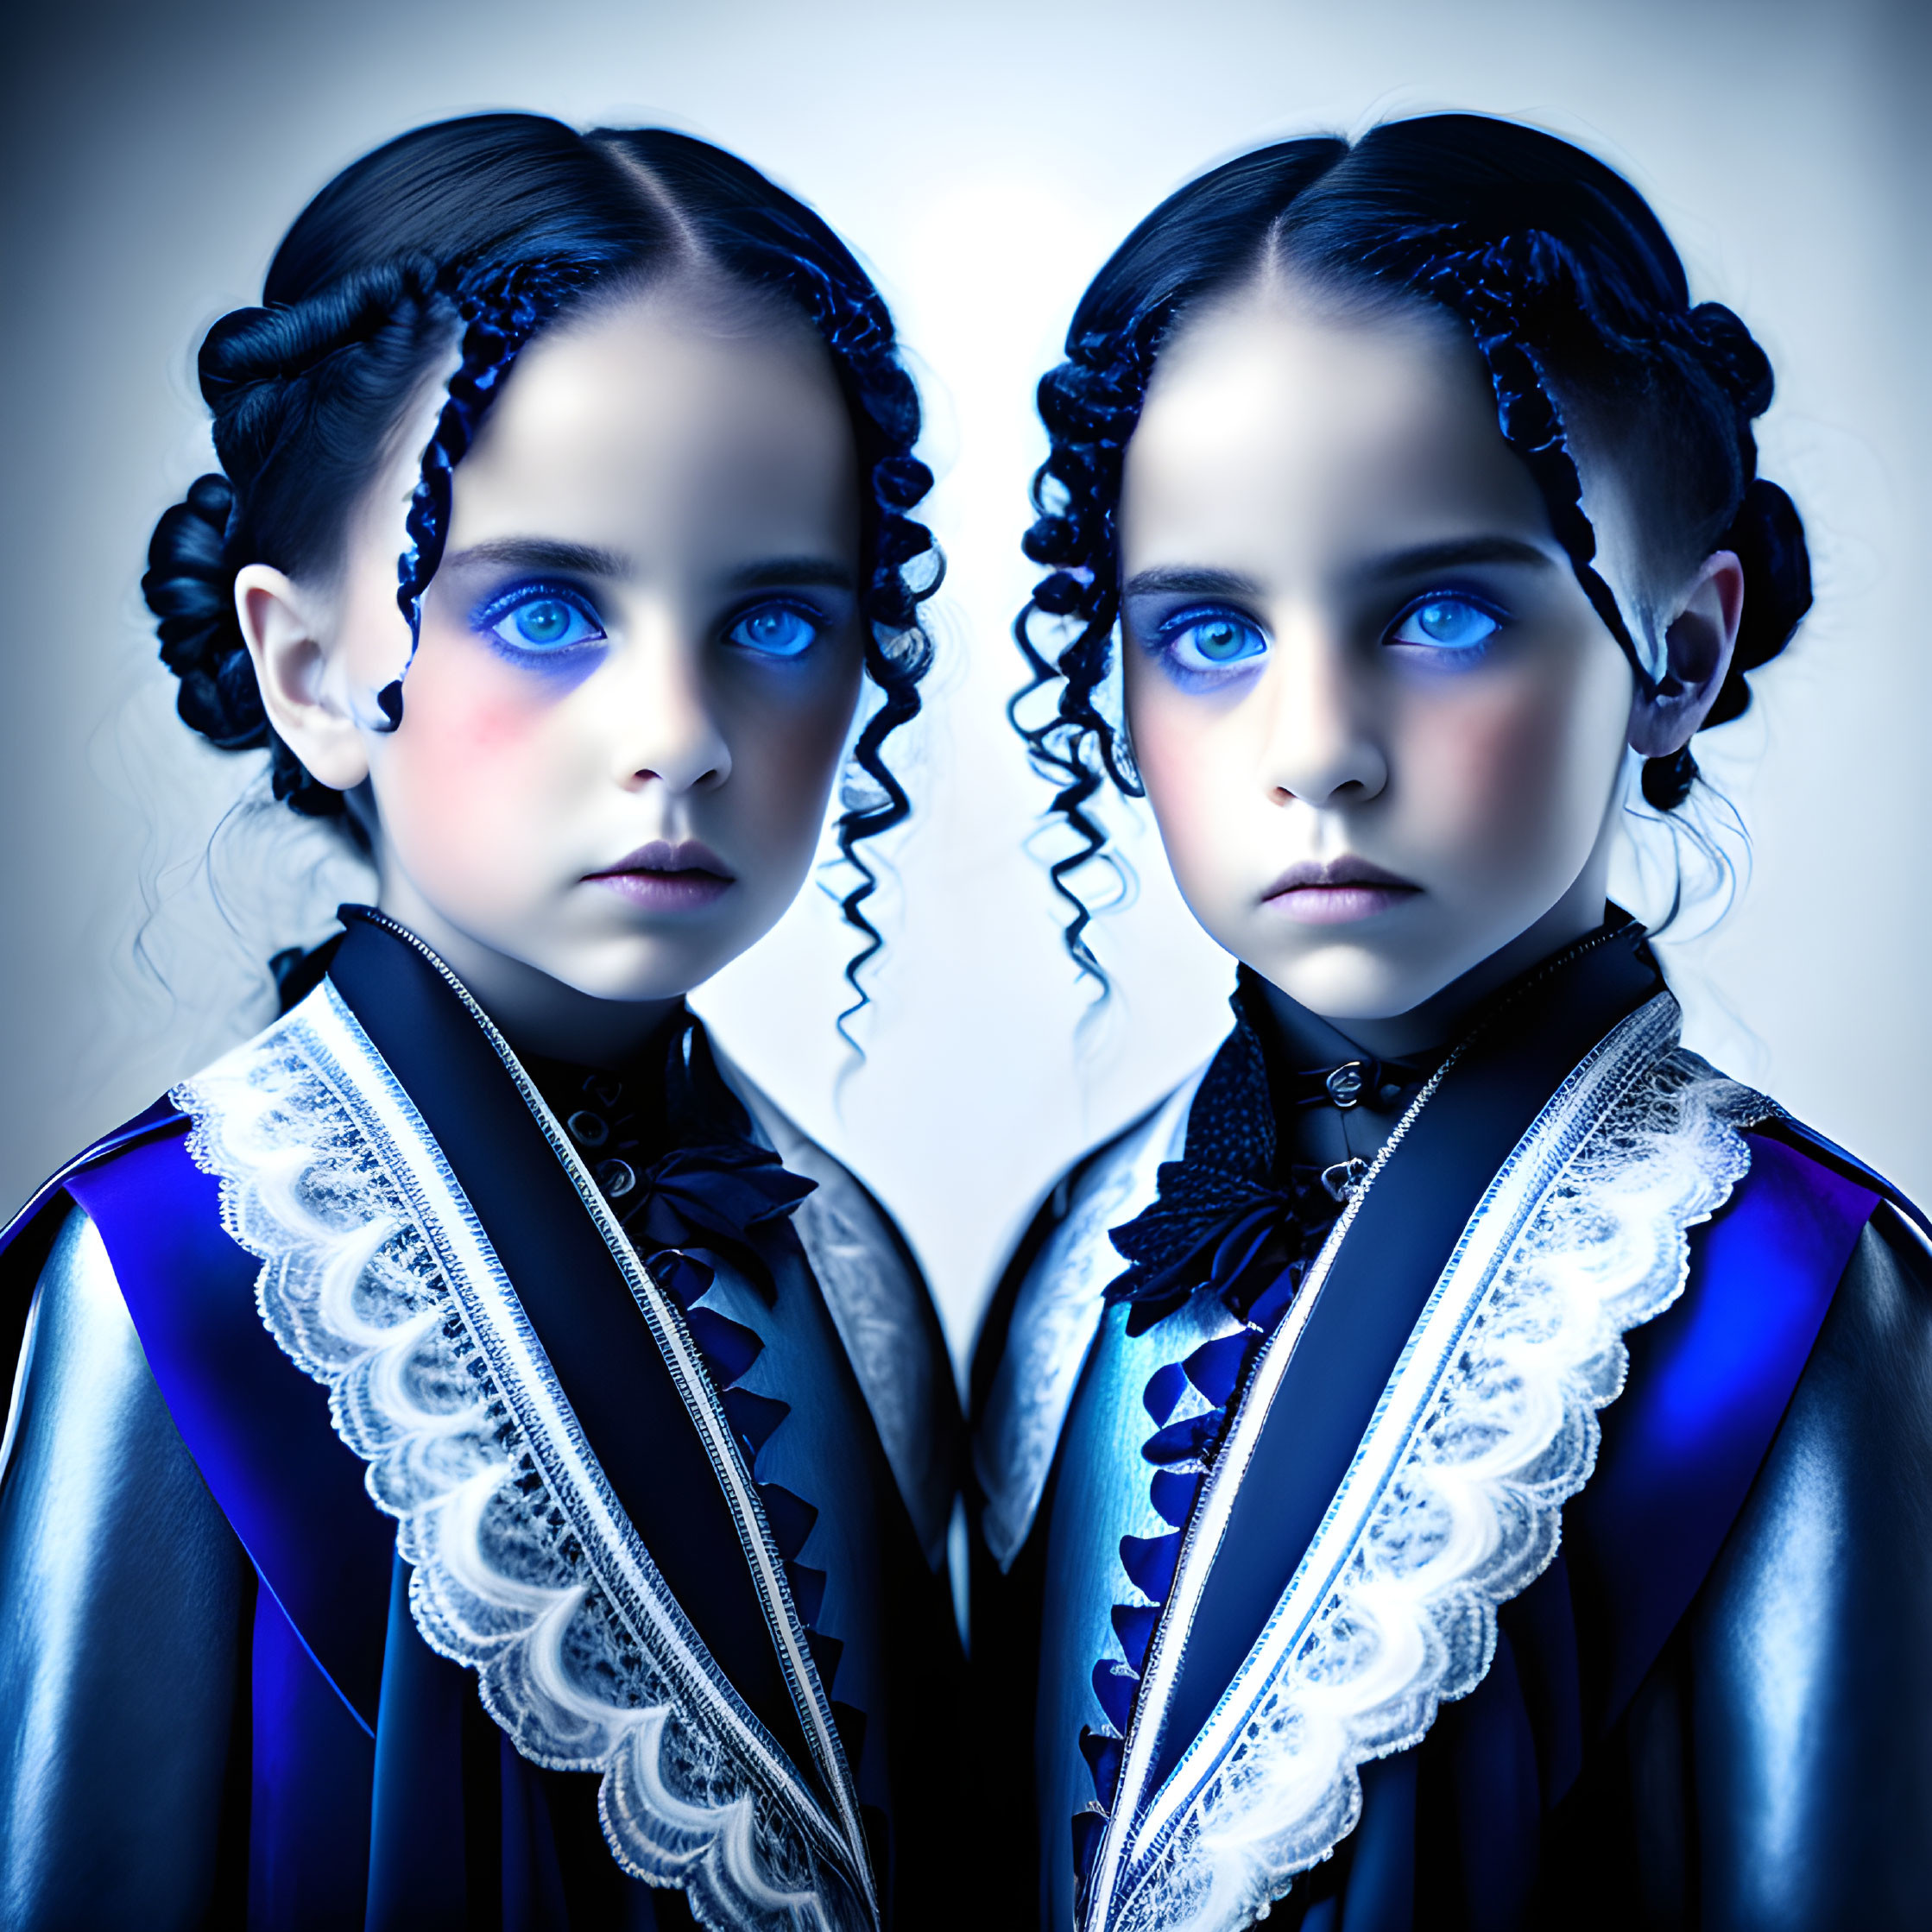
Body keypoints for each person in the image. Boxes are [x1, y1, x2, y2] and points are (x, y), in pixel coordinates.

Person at [0, 113, 962, 1931]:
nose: (674, 728)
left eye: (772, 619)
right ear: (307, 670)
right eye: (540, 608)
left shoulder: (841, 1254)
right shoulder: (181, 1270)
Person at [972, 114, 1932, 1931]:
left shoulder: (1799, 1294)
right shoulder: (1081, 1255)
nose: (1316, 744)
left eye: (1438, 610)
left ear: (1682, 653)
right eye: (1207, 634)